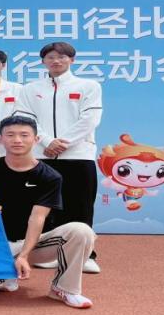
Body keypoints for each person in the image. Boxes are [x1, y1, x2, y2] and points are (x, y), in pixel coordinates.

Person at [0, 116, 97, 309]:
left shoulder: (50, 176)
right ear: (0, 139)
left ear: (36, 139)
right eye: (10, 135)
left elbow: (37, 217)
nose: (17, 140)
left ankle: (64, 289)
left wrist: (24, 255)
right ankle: (7, 273)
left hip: (34, 245)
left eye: (24, 135)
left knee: (81, 231)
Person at [13, 42, 103, 274]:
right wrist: (46, 141)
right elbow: (26, 119)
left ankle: (85, 255)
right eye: (50, 57)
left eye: (62, 57)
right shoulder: (30, 89)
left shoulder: (88, 86)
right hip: (41, 155)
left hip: (78, 155)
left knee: (80, 204)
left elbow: (90, 119)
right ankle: (45, 253)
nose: (56, 61)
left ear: (72, 60)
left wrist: (63, 142)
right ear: (43, 61)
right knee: (42, 206)